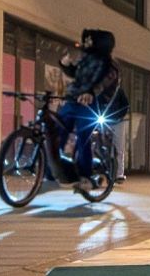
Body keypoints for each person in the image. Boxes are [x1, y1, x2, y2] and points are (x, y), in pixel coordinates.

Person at [50, 28, 120, 187]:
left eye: (89, 41)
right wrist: (66, 65)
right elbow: (77, 75)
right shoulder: (87, 59)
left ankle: (85, 176)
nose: (86, 43)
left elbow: (105, 82)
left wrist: (91, 92)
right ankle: (53, 172)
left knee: (83, 138)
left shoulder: (108, 64)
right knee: (58, 133)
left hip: (89, 103)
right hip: (73, 98)